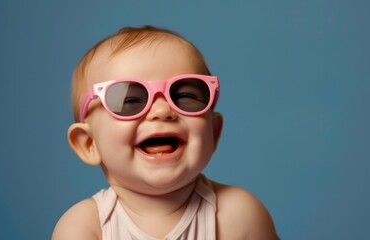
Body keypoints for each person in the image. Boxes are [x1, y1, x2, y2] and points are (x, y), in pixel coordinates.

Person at [52, 25, 279, 240]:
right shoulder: (85, 227)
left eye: (185, 96)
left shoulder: (239, 216)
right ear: (89, 143)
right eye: (129, 100)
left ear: (213, 132)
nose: (162, 110)